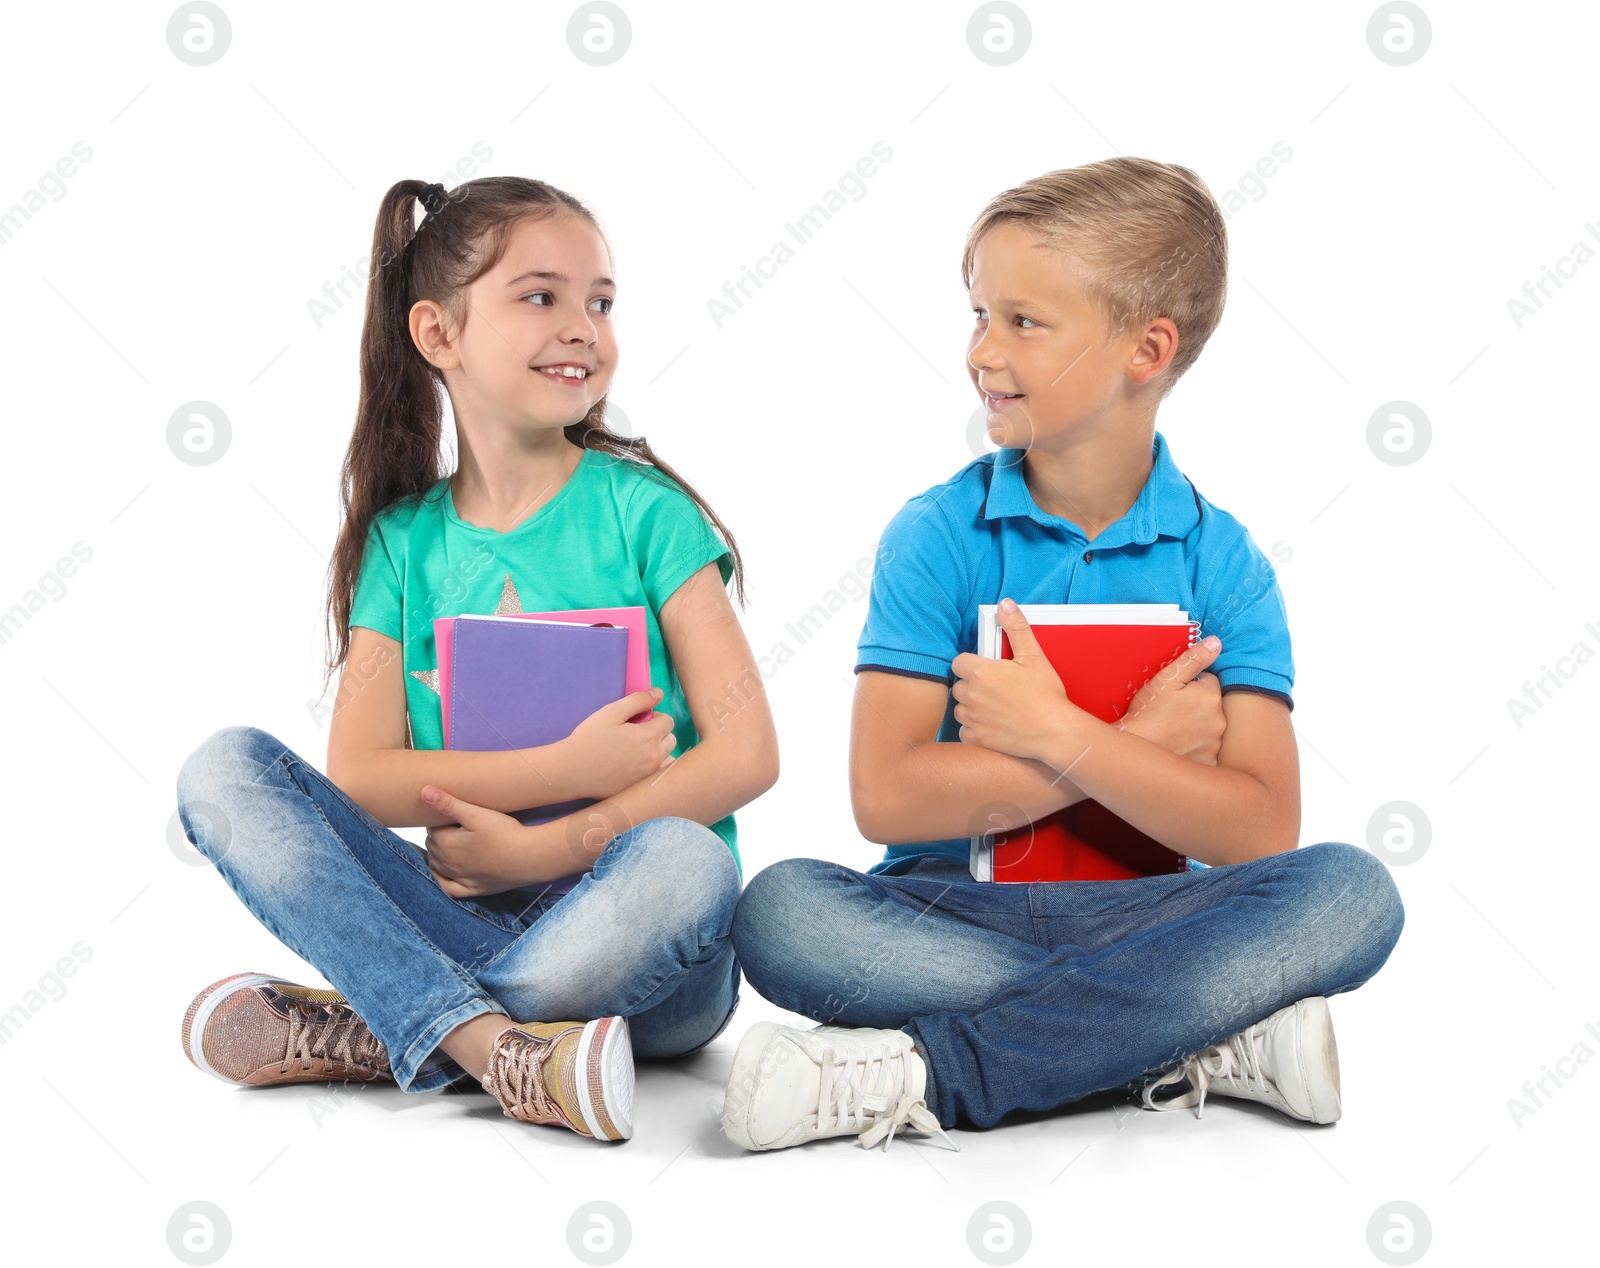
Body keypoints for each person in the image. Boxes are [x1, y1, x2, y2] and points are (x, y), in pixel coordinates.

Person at [720, 157, 1404, 1152]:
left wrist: (1061, 734)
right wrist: (1126, 741)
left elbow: (1260, 829)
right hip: (951, 912)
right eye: (978, 314)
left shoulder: (1225, 563)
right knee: (782, 912)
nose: (981, 351)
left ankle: (923, 1069)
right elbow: (887, 797)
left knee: (1352, 890)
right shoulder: (939, 533)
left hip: (1150, 915)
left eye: (1023, 322)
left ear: (1147, 348)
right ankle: (1188, 1032)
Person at [175, 176, 778, 1142]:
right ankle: (499, 1049)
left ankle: (397, 1026)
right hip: (462, 915)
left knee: (686, 859)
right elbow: (363, 778)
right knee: (222, 769)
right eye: (541, 296)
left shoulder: (647, 516)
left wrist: (544, 849)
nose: (583, 326)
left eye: (601, 301)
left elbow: (747, 756)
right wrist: (559, 774)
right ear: (437, 335)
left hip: (646, 959)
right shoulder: (403, 544)